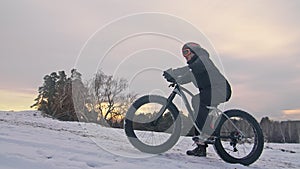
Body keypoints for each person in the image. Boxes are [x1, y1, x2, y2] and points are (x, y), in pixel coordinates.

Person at [163, 42, 232, 157]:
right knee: (196, 103)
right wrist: (174, 79)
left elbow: (194, 67)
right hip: (209, 92)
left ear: (194, 51)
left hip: (221, 89)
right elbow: (188, 76)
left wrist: (175, 72)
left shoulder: (203, 59)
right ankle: (201, 146)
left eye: (186, 52)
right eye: (183, 54)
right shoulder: (194, 68)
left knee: (199, 101)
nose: (185, 56)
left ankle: (204, 133)